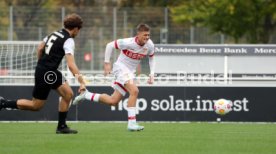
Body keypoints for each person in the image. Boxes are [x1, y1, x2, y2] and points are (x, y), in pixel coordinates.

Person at [0, 13, 86, 134]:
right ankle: (3, 103)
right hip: (47, 72)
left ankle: (61, 127)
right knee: (36, 105)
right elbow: (71, 65)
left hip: (50, 71)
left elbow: (40, 48)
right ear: (76, 29)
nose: (78, 33)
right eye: (79, 30)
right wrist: (82, 82)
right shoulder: (69, 40)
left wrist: (42, 62)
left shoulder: (54, 34)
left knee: (68, 94)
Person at [72, 23, 155, 131]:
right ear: (138, 34)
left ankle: (86, 95)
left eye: (148, 35)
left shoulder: (150, 45)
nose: (147, 37)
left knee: (113, 101)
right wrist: (107, 63)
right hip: (120, 68)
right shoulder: (128, 42)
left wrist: (152, 73)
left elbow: (152, 58)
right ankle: (132, 123)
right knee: (134, 91)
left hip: (130, 72)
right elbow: (110, 45)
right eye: (145, 35)